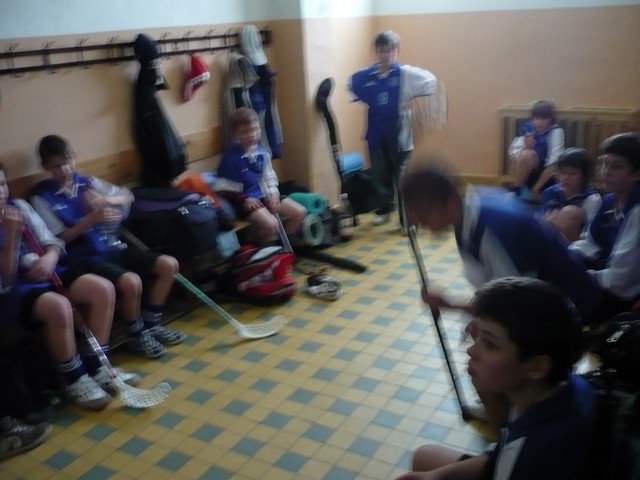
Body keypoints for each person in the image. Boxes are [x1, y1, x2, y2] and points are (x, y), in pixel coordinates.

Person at [400, 159, 601, 433]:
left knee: (482, 373)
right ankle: (505, 420)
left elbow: (515, 308)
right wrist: (474, 316)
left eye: (424, 213)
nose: (420, 223)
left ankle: (507, 439)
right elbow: (495, 287)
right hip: (539, 300)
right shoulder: (469, 210)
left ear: (449, 200)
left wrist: (452, 306)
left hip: (566, 311)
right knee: (483, 350)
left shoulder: (492, 229)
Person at [395, 277, 595, 480]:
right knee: (424, 456)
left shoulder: (528, 451)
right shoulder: (569, 385)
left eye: (490, 344)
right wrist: (438, 476)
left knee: (422, 458)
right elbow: (499, 453)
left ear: (537, 367)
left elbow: (509, 457)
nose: (471, 350)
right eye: (478, 336)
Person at [31, 135, 186, 359]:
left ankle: (151, 325)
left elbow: (127, 195)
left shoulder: (88, 182)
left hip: (110, 247)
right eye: (56, 166)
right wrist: (90, 220)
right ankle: (136, 335)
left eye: (67, 161)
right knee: (131, 282)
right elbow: (60, 239)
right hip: (82, 259)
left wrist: (107, 201)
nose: (65, 169)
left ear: (73, 156)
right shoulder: (42, 198)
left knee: (168, 265)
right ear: (45, 167)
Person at [0, 162, 137, 409]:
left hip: (50, 271)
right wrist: (11, 236)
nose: (0, 192)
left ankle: (99, 365)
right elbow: (6, 278)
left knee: (102, 289)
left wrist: (50, 257)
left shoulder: (20, 206)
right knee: (60, 306)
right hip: (16, 290)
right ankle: (75, 378)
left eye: (1, 184)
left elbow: (50, 241)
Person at [349, 30, 439, 227]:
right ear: (377, 52)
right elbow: (351, 83)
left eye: (391, 50)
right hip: (375, 135)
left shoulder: (406, 74)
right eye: (382, 50)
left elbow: (430, 80)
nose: (386, 55)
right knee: (379, 176)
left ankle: (407, 220)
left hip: (400, 137)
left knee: (401, 179)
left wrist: (412, 99)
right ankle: (385, 209)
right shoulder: (367, 76)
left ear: (397, 51)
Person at [570, 132, 640, 322]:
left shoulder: (637, 210)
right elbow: (591, 242)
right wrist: (565, 256)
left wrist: (581, 275)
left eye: (616, 166)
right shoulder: (609, 200)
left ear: (636, 173)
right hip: (607, 277)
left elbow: (621, 281)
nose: (605, 171)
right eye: (604, 163)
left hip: (625, 295)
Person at [215, 107, 306, 245]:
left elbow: (269, 177)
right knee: (271, 225)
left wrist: (274, 194)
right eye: (245, 132)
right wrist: (244, 199)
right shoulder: (230, 159)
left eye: (255, 129)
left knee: (299, 212)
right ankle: (258, 249)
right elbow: (224, 190)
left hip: (264, 195)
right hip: (245, 202)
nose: (252, 134)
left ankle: (282, 246)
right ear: (236, 134)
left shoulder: (262, 154)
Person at [538, 147, 601, 243]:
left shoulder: (592, 198)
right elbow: (539, 217)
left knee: (569, 213)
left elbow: (591, 232)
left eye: (572, 173)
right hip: (549, 239)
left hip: (576, 243)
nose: (566, 177)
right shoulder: (550, 192)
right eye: (563, 173)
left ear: (584, 176)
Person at [508, 100, 565, 202]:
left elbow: (554, 163)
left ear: (551, 119)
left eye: (544, 118)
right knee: (526, 154)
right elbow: (513, 153)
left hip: (547, 177)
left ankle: (536, 195)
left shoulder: (556, 131)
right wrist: (526, 147)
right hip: (530, 175)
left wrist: (535, 189)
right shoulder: (528, 130)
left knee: (556, 172)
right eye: (537, 118)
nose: (539, 122)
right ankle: (516, 192)